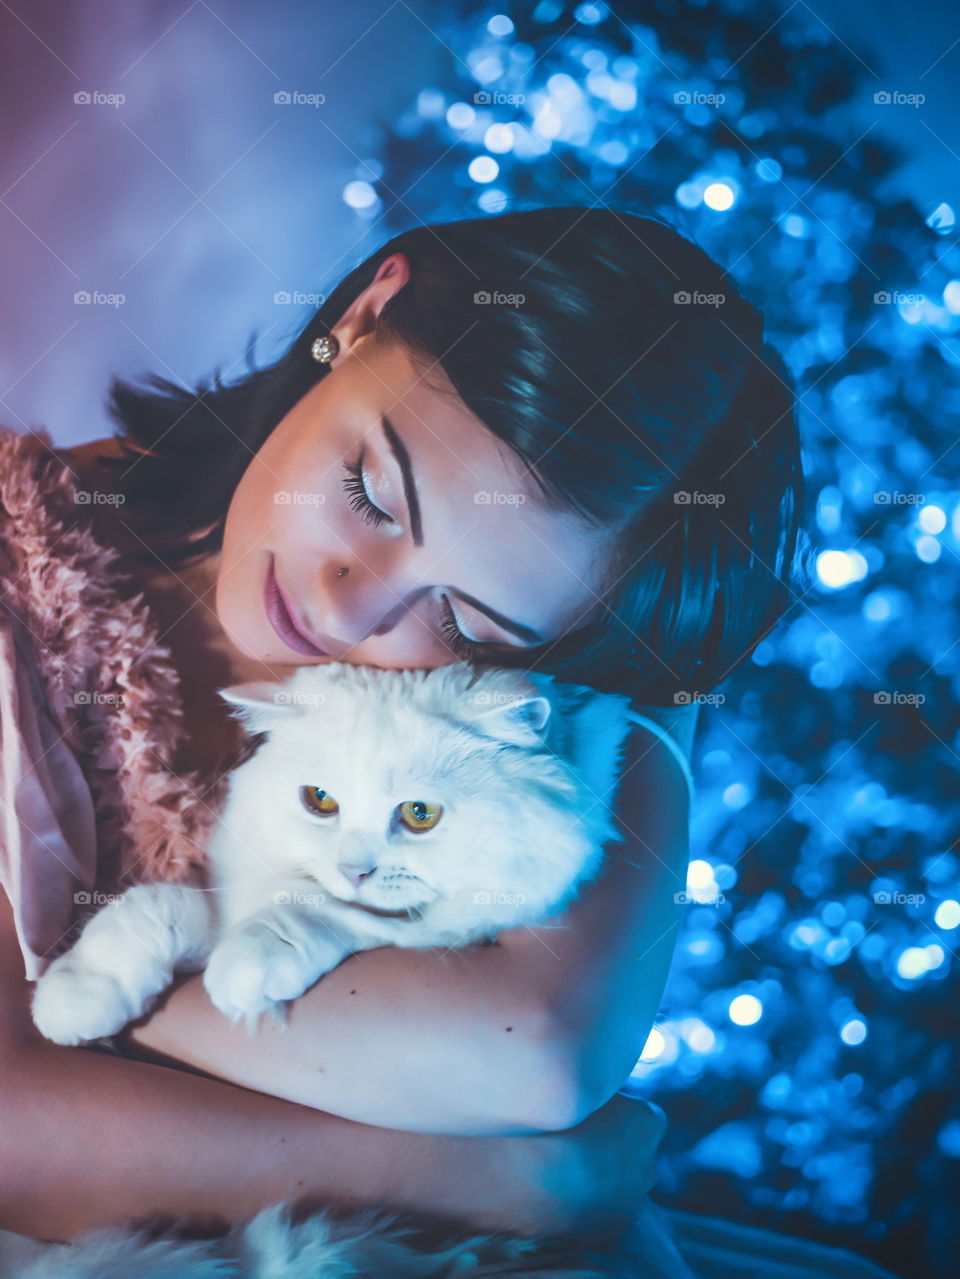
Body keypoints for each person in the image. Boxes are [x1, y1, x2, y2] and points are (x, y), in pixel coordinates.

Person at [0, 204, 807, 1274]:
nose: (348, 607)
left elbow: (537, 1058)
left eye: (466, 620)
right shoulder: (29, 564)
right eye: (369, 492)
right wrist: (498, 1180)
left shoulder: (555, 700)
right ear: (367, 312)